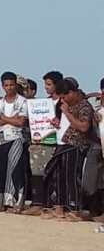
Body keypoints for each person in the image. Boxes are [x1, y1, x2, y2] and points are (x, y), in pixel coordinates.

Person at [40, 78, 96, 221]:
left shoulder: (84, 106)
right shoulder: (66, 105)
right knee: (57, 175)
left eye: (64, 97)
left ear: (71, 92)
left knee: (71, 177)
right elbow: (66, 124)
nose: (62, 100)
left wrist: (67, 113)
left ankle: (75, 209)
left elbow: (83, 127)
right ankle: (59, 207)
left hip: (75, 145)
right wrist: (57, 122)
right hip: (62, 144)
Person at [0, 72, 29, 213]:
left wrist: (4, 118)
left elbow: (21, 122)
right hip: (0, 140)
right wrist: (12, 119)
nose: (9, 88)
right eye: (6, 85)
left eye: (12, 85)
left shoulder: (22, 101)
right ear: (2, 86)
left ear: (16, 85)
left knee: (16, 170)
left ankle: (17, 203)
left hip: (16, 138)